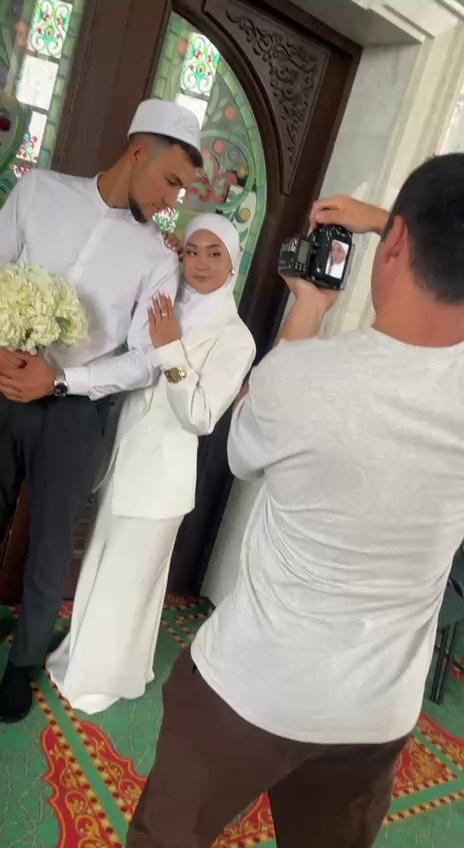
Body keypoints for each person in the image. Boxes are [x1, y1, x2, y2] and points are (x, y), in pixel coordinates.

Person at [126, 153, 464, 848]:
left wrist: (308, 306)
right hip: (377, 713)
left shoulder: (303, 377)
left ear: (395, 244)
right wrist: (389, 222)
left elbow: (242, 454)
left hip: (252, 685)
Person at [0, 98, 203, 724]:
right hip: (4, 382)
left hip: (75, 411)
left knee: (51, 543)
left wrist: (62, 379)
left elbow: (144, 359)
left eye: (181, 190)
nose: (172, 200)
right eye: (171, 181)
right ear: (138, 152)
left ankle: (22, 664)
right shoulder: (39, 192)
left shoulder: (157, 258)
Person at [46, 214, 255, 714]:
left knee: (129, 584)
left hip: (162, 477)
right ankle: (84, 658)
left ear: (232, 263)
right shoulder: (167, 301)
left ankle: (101, 679)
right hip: (122, 458)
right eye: (192, 251)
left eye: (214, 253)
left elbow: (200, 417)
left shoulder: (236, 337)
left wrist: (170, 350)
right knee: (102, 567)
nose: (200, 263)